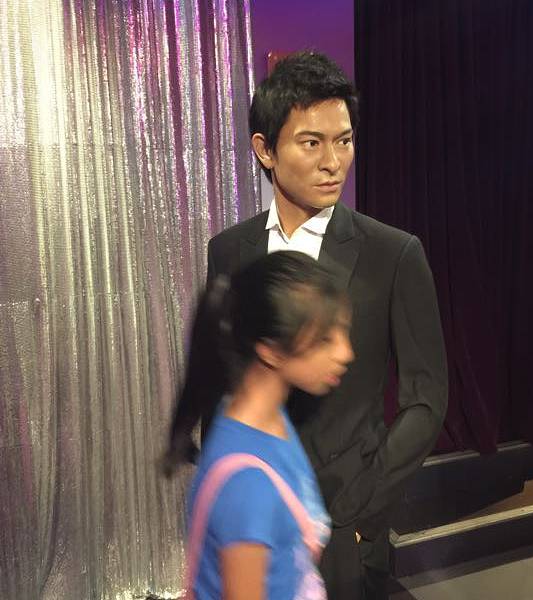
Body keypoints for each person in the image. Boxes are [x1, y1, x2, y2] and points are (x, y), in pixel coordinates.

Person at [169, 51, 448, 599]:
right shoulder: (230, 250)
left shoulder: (392, 254)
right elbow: (223, 379)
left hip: (345, 524)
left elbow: (427, 398)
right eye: (312, 143)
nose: (333, 162)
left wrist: (359, 515)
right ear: (265, 150)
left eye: (344, 141)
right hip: (254, 520)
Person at [163, 251, 354, 599]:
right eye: (326, 339)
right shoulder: (248, 488)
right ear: (271, 350)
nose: (346, 353)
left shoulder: (268, 417)